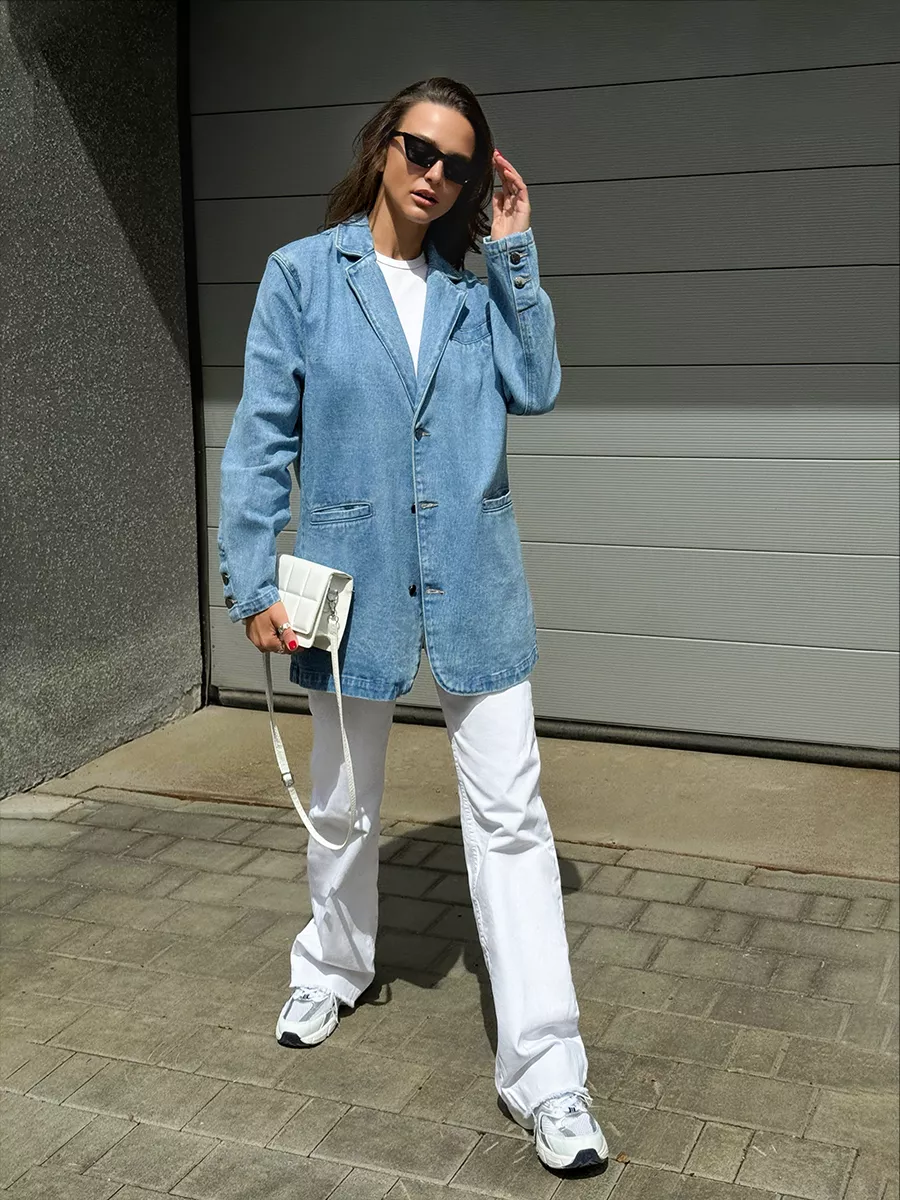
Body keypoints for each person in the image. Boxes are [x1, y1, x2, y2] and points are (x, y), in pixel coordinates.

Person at [217, 76, 608, 1172]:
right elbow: (261, 436)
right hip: (349, 583)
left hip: (476, 582)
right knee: (345, 803)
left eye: (458, 164)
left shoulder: (478, 295)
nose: (435, 174)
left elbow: (537, 386)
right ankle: (330, 966)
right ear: (382, 146)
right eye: (419, 149)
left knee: (513, 819)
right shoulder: (303, 275)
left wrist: (516, 251)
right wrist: (251, 580)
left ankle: (548, 1071)